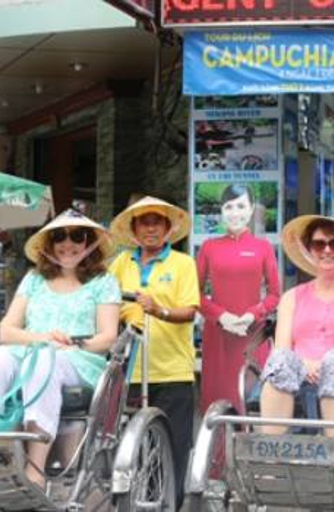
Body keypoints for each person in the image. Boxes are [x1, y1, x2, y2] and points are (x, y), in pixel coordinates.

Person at [0, 209, 120, 487]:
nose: (68, 243)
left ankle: (35, 470)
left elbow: (108, 337)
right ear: (49, 243)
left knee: (43, 363)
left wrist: (73, 343)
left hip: (79, 360)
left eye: (78, 236)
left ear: (89, 243)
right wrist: (43, 340)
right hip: (31, 350)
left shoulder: (103, 281)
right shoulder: (34, 278)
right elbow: (7, 330)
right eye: (59, 235)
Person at [108, 196, 199, 508]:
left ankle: (169, 503)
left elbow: (189, 311)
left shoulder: (183, 263)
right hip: (130, 368)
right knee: (131, 445)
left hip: (173, 369)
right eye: (143, 222)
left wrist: (158, 310)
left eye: (156, 222)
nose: (150, 228)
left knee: (173, 447)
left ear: (167, 228)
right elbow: (107, 304)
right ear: (134, 229)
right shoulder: (120, 263)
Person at [260, 215, 334, 436]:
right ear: (309, 250)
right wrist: (305, 365)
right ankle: (271, 450)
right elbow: (282, 348)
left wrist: (326, 364)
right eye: (318, 244)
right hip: (297, 377)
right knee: (281, 359)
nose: (326, 250)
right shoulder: (291, 297)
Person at [196, 184, 279, 414]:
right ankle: (217, 450)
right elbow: (195, 293)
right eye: (229, 207)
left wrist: (253, 313)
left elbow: (274, 295)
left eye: (241, 206)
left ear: (251, 210)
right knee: (218, 401)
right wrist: (221, 316)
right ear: (221, 211)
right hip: (218, 335)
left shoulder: (263, 248)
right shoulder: (209, 248)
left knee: (251, 400)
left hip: (252, 336)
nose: (235, 213)